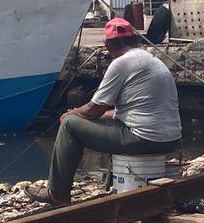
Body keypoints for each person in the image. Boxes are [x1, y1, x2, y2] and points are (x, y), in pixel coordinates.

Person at [27, 18, 182, 205]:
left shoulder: (121, 64)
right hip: (170, 140)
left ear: (107, 44)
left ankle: (58, 193)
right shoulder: (151, 60)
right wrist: (83, 114)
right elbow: (119, 112)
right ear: (134, 39)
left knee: (69, 126)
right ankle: (110, 182)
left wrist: (71, 115)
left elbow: (94, 109)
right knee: (89, 121)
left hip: (144, 140)